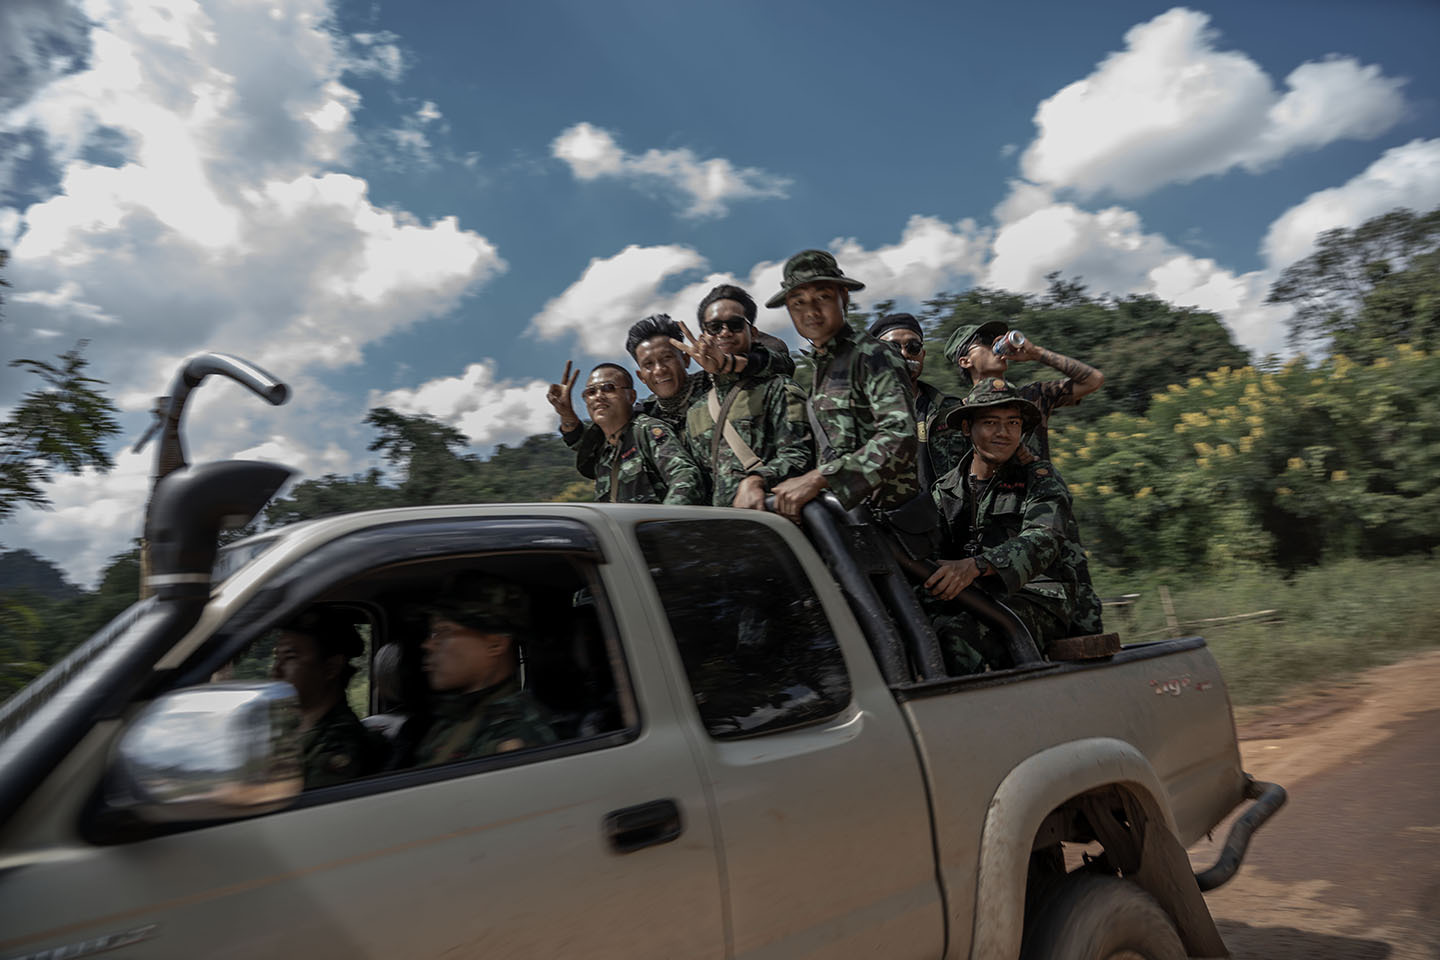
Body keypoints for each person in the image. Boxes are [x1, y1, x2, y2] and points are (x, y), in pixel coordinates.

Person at [921, 379, 1103, 673]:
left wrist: (977, 566)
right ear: (967, 428)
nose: (1003, 433)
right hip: (974, 598)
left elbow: (1042, 539)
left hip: (1039, 599)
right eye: (990, 422)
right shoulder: (945, 490)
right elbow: (930, 553)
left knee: (958, 639)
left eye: (1013, 423)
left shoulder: (1040, 478)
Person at [765, 250, 919, 519]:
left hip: (890, 524)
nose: (811, 311)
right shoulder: (821, 368)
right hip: (847, 520)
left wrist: (820, 479)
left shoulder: (873, 355)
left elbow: (900, 437)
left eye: (822, 297)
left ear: (844, 296)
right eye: (798, 302)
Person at [673, 284, 813, 509]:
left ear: (753, 333)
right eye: (714, 327)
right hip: (724, 525)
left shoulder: (778, 388)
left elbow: (799, 457)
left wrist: (757, 480)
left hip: (774, 517)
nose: (725, 333)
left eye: (735, 325)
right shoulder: (695, 412)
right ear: (704, 336)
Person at [413, 574, 558, 766]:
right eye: (432, 633)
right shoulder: (456, 715)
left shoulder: (516, 733)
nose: (428, 645)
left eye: (443, 631)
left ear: (496, 644)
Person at [942, 320, 1104, 460]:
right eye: (985, 341)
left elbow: (1093, 380)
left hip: (1039, 486)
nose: (995, 345)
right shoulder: (960, 414)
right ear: (965, 361)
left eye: (997, 340)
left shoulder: (1032, 396)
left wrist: (1036, 353)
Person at [270, 608, 383, 789]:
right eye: (277, 658)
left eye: (290, 658)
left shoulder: (340, 745)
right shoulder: (289, 729)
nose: (275, 671)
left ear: (331, 668)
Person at [577, 363, 706, 504]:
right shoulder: (604, 450)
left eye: (608, 388)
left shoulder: (646, 431)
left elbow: (685, 475)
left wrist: (667, 515)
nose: (598, 396)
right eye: (591, 392)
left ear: (631, 396)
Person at [869, 312, 968, 488]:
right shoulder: (854, 411)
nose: (904, 354)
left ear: (922, 354)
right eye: (892, 347)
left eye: (913, 347)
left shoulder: (951, 410)